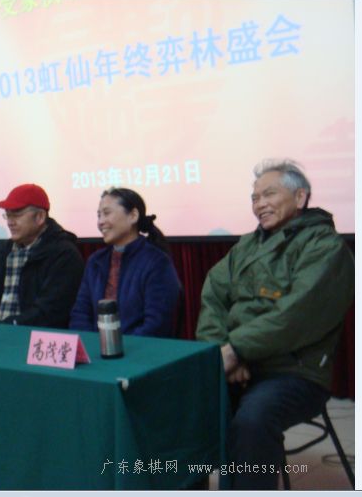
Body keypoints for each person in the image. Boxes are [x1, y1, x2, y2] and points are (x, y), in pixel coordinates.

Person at [196, 159, 354, 490]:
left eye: (269, 194)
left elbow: (297, 315)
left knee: (253, 420)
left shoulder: (325, 247)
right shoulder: (246, 245)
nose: (260, 204)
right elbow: (213, 297)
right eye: (255, 198)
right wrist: (223, 349)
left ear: (300, 197)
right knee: (184, 405)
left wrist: (238, 349)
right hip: (237, 361)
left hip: (295, 371)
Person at [69, 188, 181, 337]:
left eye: (107, 213)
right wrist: (90, 344)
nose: (100, 222)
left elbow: (157, 323)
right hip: (96, 348)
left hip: (141, 349)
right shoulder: (95, 261)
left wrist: (120, 346)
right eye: (99, 215)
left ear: (133, 216)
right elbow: (80, 314)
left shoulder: (157, 262)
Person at [0, 183, 84, 328]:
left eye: (16, 215)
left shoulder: (64, 254)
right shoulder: (5, 251)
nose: (10, 222)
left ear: (40, 217)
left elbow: (52, 310)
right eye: (7, 215)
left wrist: (11, 325)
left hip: (35, 336)